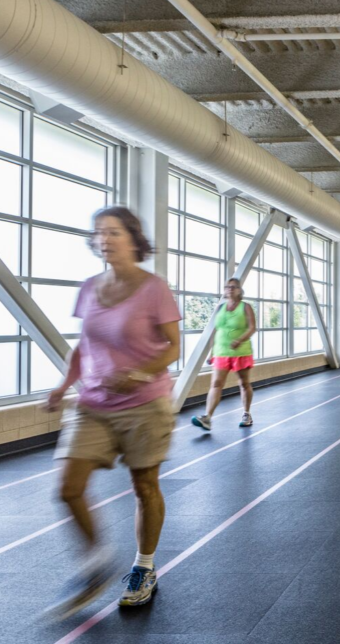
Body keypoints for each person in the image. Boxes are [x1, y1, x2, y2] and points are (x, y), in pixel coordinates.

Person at [46, 207, 181, 616]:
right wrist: (63, 385)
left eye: (114, 232)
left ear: (133, 239)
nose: (104, 239)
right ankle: (96, 562)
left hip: (145, 404)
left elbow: (174, 346)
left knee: (144, 487)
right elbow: (83, 346)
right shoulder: (88, 288)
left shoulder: (155, 288)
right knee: (67, 489)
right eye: (99, 233)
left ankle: (144, 568)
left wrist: (141, 373)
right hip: (94, 404)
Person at [192, 278, 256, 430]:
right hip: (221, 352)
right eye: (227, 287)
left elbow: (252, 328)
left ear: (239, 290)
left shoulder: (245, 307)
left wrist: (239, 340)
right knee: (216, 384)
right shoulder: (220, 308)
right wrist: (212, 352)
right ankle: (207, 417)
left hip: (240, 352)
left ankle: (246, 413)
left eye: (233, 287)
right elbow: (216, 330)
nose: (230, 290)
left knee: (244, 383)